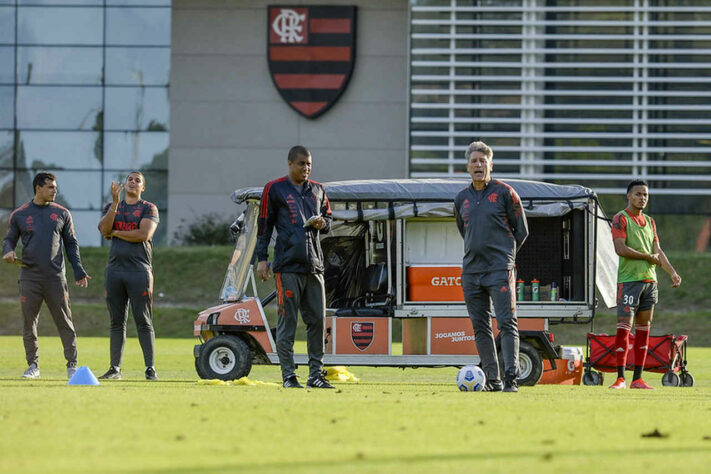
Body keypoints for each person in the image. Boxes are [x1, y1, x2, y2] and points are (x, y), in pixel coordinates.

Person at [256, 145, 334, 389]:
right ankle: (288, 375)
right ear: (290, 163)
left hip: (315, 267)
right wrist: (261, 258)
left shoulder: (319, 190)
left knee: (317, 322)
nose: (306, 168)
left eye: (309, 163)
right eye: (301, 163)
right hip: (287, 266)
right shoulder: (274, 188)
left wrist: (323, 223)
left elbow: (330, 219)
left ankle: (315, 375)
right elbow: (264, 225)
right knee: (287, 322)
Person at [454, 141, 529, 393]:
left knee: (507, 323)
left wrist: (505, 257)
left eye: (483, 161)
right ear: (467, 166)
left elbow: (522, 231)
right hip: (471, 272)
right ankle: (493, 380)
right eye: (474, 161)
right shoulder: (461, 198)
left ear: (491, 165)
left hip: (500, 270)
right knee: (480, 327)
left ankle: (511, 379)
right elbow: (464, 231)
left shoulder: (506, 192)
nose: (478, 165)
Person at [2, 172, 91, 379]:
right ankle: (33, 366)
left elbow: (71, 244)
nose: (55, 190)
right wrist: (8, 251)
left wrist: (78, 270)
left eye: (55, 187)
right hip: (29, 277)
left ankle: (72, 366)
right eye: (51, 187)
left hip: (55, 278)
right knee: (29, 323)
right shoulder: (20, 214)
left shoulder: (62, 213)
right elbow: (9, 240)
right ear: (38, 188)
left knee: (65, 321)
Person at [609, 179, 681, 389]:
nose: (642, 198)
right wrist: (647, 258)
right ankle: (620, 378)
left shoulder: (650, 221)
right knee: (624, 329)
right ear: (629, 196)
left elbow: (658, 252)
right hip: (629, 281)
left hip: (650, 282)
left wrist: (672, 273)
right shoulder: (620, 218)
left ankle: (637, 379)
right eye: (638, 194)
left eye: (645, 195)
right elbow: (620, 249)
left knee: (643, 329)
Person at [97, 171, 160, 381]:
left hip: (139, 271)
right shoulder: (111, 207)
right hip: (114, 271)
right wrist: (114, 205)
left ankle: (150, 368)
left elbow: (143, 234)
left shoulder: (148, 208)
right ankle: (115, 369)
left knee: (143, 320)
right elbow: (104, 229)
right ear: (124, 185)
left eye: (138, 181)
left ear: (143, 187)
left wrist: (115, 233)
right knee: (116, 322)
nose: (133, 182)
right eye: (130, 180)